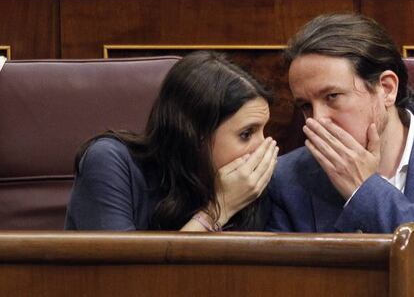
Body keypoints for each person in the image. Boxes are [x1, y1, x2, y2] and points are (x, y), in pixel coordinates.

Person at [65, 51, 278, 231]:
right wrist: (218, 209)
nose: (264, 147)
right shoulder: (109, 162)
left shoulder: (250, 190)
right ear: (196, 135)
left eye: (264, 130)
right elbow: (126, 278)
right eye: (247, 134)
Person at [266, 13, 414, 233]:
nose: (318, 120)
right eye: (306, 106)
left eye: (332, 96)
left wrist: (365, 191)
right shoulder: (285, 180)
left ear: (386, 88)